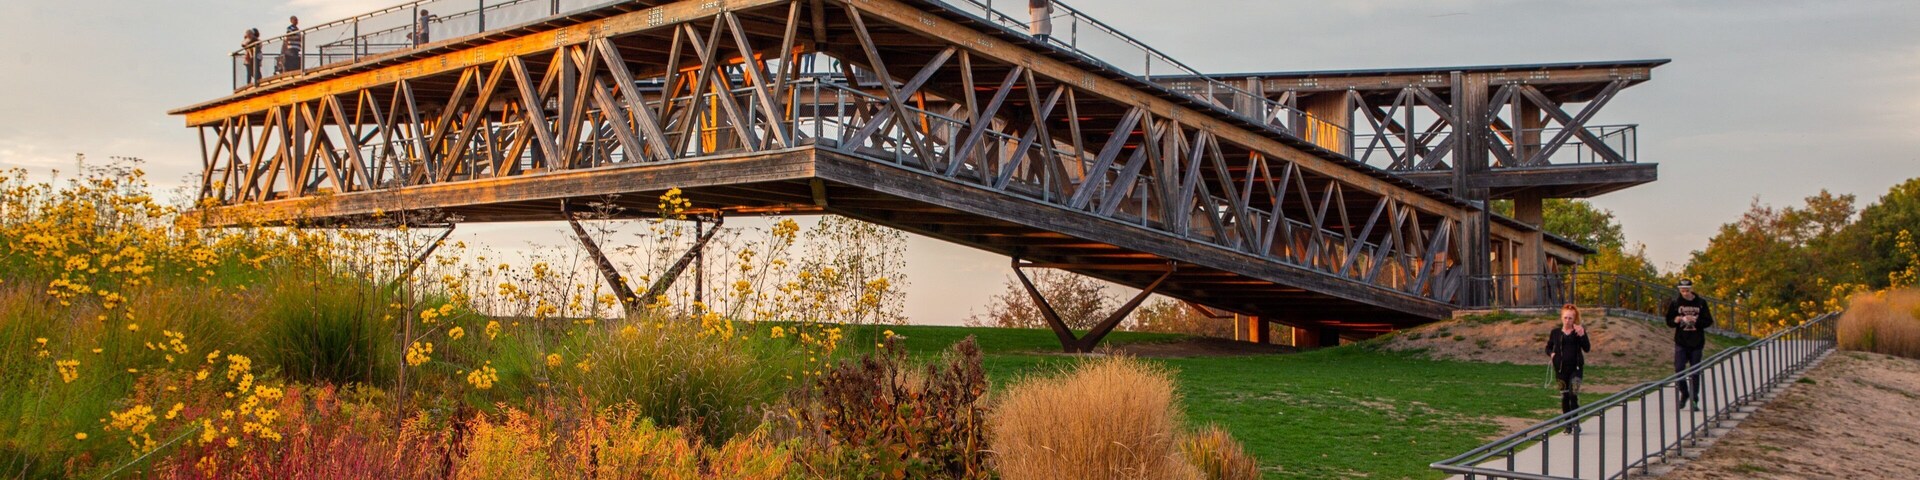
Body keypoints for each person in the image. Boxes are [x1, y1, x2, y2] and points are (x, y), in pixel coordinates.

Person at [1665, 279, 1714, 411]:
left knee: (1695, 371)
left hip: (1697, 342)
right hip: (1681, 341)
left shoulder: (1701, 303)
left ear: (1691, 289)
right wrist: (1677, 320)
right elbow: (1669, 321)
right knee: (1679, 369)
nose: (1685, 293)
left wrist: (1696, 320)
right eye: (1682, 290)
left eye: (1687, 290)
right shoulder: (1676, 303)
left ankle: (1694, 399)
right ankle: (1684, 393)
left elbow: (1708, 321)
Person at [1545, 303, 1591, 434]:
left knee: (1573, 394)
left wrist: (1582, 335)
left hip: (1576, 369)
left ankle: (1576, 422)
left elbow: (1587, 348)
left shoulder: (1578, 332)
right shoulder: (1555, 333)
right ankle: (1568, 424)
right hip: (1560, 370)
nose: (1568, 321)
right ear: (1561, 318)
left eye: (1570, 318)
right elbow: (1548, 347)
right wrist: (1552, 354)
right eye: (1565, 318)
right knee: (1565, 396)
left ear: (1574, 319)